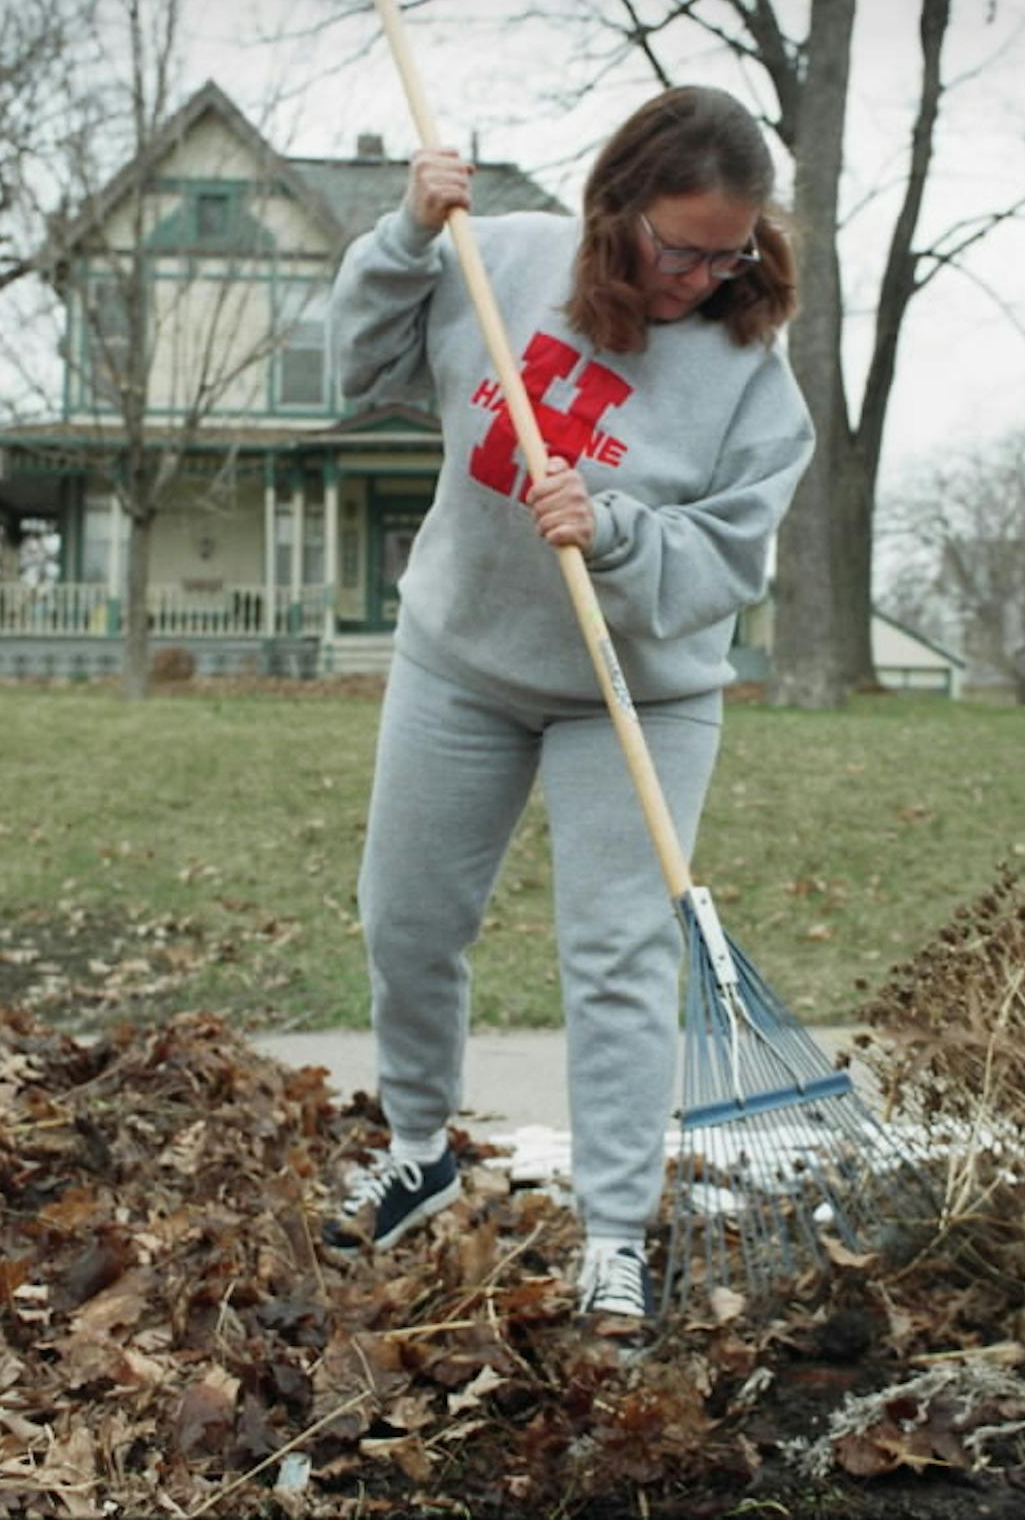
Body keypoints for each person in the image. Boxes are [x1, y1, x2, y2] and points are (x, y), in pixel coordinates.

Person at [321, 85, 815, 1322]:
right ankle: (420, 1147)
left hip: (634, 695)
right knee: (407, 916)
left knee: (615, 956)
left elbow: (727, 566)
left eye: (729, 251)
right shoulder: (512, 262)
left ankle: (609, 1230)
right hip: (462, 660)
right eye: (680, 246)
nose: (703, 275)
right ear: (617, 208)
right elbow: (356, 367)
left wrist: (619, 529)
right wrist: (406, 239)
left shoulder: (754, 380)